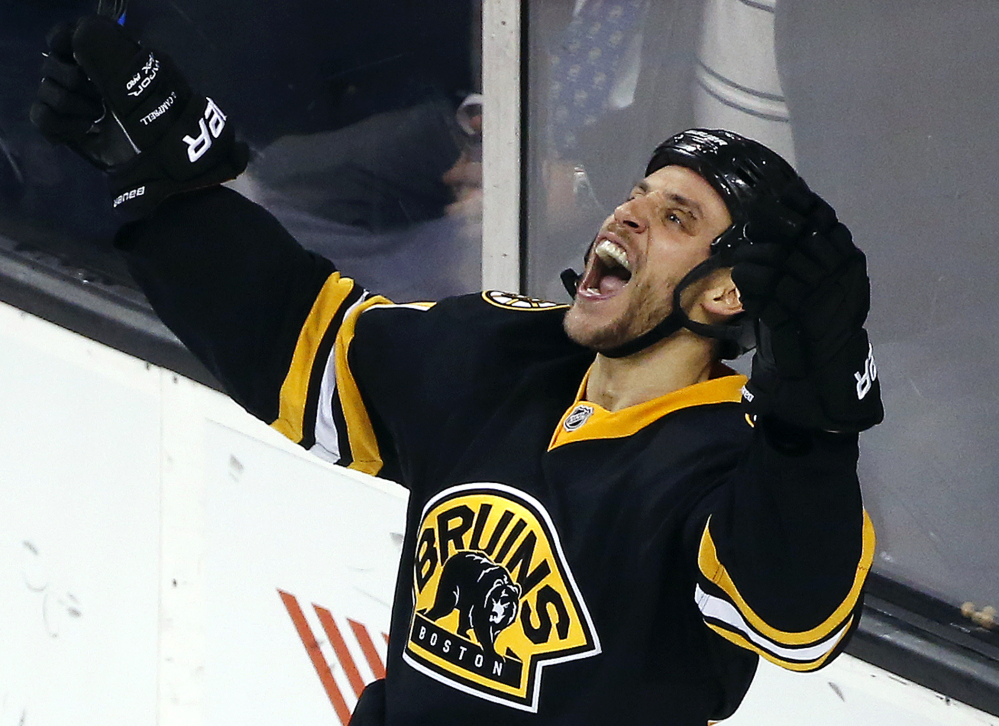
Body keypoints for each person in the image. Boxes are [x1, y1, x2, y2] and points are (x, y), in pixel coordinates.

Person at [29, 16, 884, 725]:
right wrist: (167, 182)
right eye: (635, 192)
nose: (626, 213)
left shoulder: (733, 460)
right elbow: (299, 337)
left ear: (727, 292)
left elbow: (795, 622)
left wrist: (817, 415)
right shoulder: (505, 354)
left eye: (675, 216)